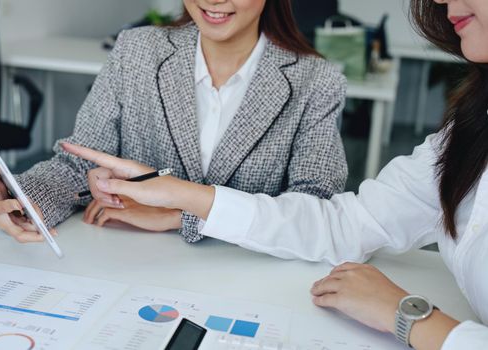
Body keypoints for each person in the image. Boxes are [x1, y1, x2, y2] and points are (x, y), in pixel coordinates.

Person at [59, 0, 488, 348]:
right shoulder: (468, 130)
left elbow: (318, 197)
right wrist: (185, 198)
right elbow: (347, 223)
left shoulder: (314, 78)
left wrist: (411, 318)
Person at [0, 0, 348, 243]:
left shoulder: (316, 81)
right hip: (135, 268)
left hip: (248, 278)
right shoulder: (136, 49)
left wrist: (181, 216)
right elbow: (81, 162)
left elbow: (314, 209)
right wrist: (20, 198)